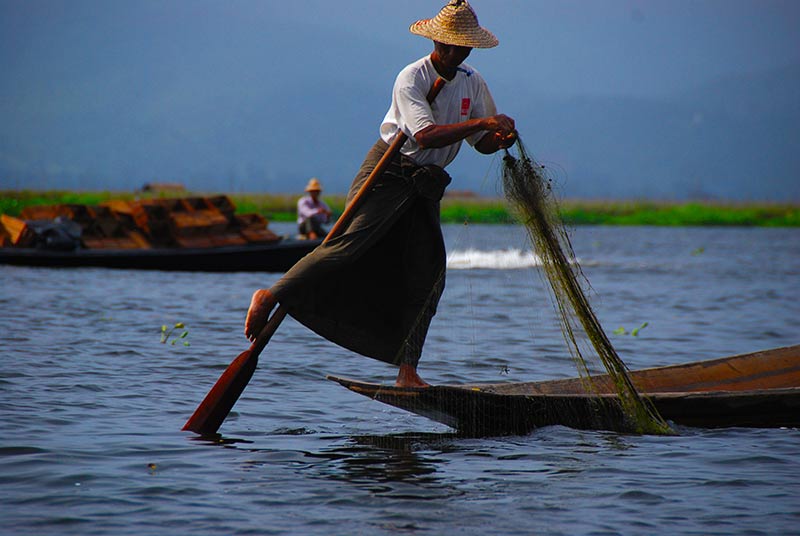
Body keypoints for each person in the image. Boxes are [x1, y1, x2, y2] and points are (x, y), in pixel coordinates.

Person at [245, 0, 516, 387]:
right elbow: (423, 136)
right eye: (450, 45)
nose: (457, 52)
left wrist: (499, 138)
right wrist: (484, 122)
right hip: (389, 171)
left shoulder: (472, 81)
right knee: (347, 246)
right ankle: (270, 296)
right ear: (437, 42)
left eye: (464, 46)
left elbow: (480, 142)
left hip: (426, 182)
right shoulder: (412, 77)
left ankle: (407, 371)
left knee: (430, 273)